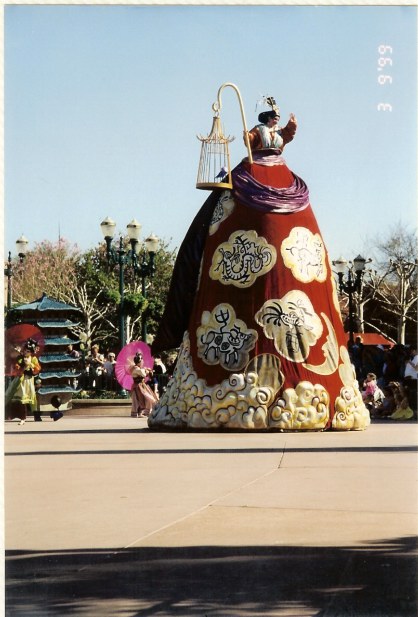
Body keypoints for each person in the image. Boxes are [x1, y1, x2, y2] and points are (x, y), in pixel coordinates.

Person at [149, 94, 370, 432]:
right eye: (274, 117)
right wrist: (247, 143)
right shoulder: (257, 134)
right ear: (266, 118)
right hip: (254, 186)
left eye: (278, 119)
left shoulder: (278, 136)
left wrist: (291, 130)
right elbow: (250, 139)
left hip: (279, 186)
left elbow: (288, 137)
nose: (275, 122)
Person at [5, 338, 41, 425]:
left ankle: (36, 415)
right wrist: (22, 365)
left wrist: (31, 365)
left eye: (28, 351)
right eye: (25, 350)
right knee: (20, 398)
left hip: (29, 380)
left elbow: (37, 369)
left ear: (31, 352)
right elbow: (16, 367)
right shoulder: (20, 358)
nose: (26, 352)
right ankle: (19, 415)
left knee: (32, 398)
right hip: (21, 380)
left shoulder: (34, 359)